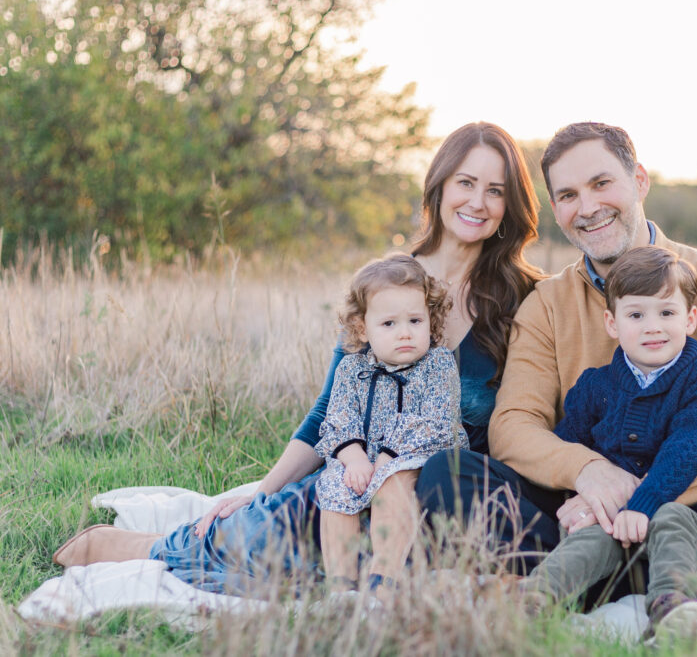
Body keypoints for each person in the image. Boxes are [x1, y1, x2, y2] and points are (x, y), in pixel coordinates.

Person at [52, 122, 545, 594]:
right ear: (438, 186)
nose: (478, 202)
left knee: (330, 574)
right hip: (359, 476)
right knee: (267, 534)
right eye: (466, 182)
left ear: (511, 204)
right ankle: (145, 547)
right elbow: (332, 408)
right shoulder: (386, 284)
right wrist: (261, 490)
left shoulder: (525, 297)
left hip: (442, 495)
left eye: (496, 190)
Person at [417, 122, 697, 595]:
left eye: (602, 184)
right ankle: (670, 577)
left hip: (696, 506)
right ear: (556, 210)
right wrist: (587, 472)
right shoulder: (546, 304)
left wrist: (642, 502)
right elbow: (514, 425)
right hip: (582, 505)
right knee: (448, 474)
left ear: (639, 180)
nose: (589, 207)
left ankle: (594, 578)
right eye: (569, 195)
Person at [520, 245, 697, 642]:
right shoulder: (595, 386)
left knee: (675, 520)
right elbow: (569, 444)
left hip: (671, 504)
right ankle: (533, 603)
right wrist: (580, 492)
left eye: (666, 313)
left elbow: (689, 447)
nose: (653, 327)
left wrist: (642, 504)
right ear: (612, 323)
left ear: (690, 319)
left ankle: (674, 612)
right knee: (588, 536)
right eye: (636, 315)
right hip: (609, 521)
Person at [314, 254, 468, 592]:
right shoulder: (352, 370)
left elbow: (435, 420)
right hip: (365, 459)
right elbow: (338, 418)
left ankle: (384, 578)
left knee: (392, 480)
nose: (405, 334)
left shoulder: (438, 364)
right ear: (362, 328)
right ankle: (340, 582)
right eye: (389, 324)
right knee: (335, 483)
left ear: (431, 320)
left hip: (419, 456)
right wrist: (353, 459)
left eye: (415, 321)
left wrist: (386, 456)